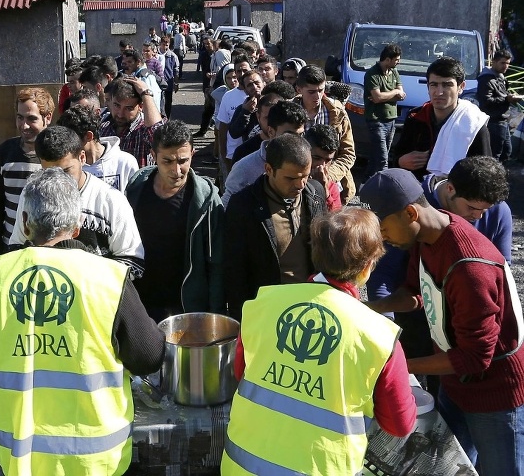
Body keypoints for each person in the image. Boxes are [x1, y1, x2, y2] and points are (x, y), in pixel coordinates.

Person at [0, 167, 165, 475]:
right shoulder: (108, 279)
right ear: (77, 226)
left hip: (20, 456)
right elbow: (149, 357)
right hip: (96, 459)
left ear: (25, 224)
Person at [221, 208, 416, 475]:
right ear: (368, 266)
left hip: (241, 466)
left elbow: (243, 373)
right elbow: (400, 424)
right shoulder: (379, 335)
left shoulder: (262, 304)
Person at [361, 168, 524, 475]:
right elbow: (414, 293)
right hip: (453, 380)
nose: (382, 238)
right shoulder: (426, 236)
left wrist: (399, 366)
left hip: (494, 394)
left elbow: (476, 358)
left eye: (383, 229)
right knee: (449, 468)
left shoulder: (468, 267)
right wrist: (367, 307)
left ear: (410, 212)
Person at [8, 126, 145, 276]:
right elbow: (16, 249)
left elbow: (133, 262)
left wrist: (84, 279)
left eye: (66, 171)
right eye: (49, 172)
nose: (59, 180)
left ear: (82, 158)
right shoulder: (31, 195)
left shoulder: (111, 201)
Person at [125, 120, 225, 322]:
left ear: (192, 155)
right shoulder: (137, 187)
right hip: (140, 303)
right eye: (167, 161)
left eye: (183, 161)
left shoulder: (206, 199)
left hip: (186, 306)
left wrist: (215, 316)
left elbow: (217, 263)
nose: (177, 170)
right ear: (153, 157)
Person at [222, 134, 326, 320]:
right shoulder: (244, 205)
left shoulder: (315, 193)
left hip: (311, 306)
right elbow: (234, 270)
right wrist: (242, 319)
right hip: (267, 310)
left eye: (305, 176)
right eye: (290, 178)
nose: (300, 184)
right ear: (269, 169)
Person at [393, 57, 491, 178]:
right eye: (434, 85)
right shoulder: (416, 117)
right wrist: (400, 161)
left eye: (447, 85)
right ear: (428, 86)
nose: (439, 92)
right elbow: (395, 156)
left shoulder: (473, 125)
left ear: (461, 87)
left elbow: (486, 174)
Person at [0, 87, 54, 255]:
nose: (24, 125)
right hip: (12, 245)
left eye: (32, 119)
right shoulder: (4, 152)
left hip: (49, 248)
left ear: (48, 118)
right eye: (20, 117)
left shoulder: (57, 154)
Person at [222, 99, 306, 209]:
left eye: (300, 135)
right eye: (289, 135)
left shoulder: (309, 163)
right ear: (271, 132)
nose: (296, 141)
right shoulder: (244, 168)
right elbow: (226, 208)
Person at [294, 65, 356, 202]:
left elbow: (348, 153)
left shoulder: (337, 112)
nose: (317, 96)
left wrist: (329, 176)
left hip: (334, 186)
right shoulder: (288, 113)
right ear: (299, 89)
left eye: (321, 90)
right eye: (311, 92)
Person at [58, 105, 138, 191]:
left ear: (88, 136)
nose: (66, 145)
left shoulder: (125, 162)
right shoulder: (69, 167)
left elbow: (135, 200)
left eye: (70, 139)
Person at [98, 77, 164, 168]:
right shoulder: (103, 127)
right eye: (117, 105)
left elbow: (159, 136)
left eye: (128, 108)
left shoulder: (143, 130)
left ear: (140, 106)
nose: (120, 114)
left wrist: (146, 93)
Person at [363, 43, 406, 181]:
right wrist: (394, 93)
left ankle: (366, 182)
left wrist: (385, 96)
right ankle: (385, 188)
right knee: (383, 159)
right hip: (376, 120)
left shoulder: (394, 72)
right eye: (396, 60)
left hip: (391, 119)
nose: (398, 62)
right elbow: (377, 97)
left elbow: (402, 93)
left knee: (379, 155)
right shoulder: (372, 74)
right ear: (388, 59)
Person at [477, 49, 523, 162]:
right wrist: (506, 99)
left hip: (503, 120)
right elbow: (485, 101)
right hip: (494, 121)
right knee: (495, 154)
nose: (506, 66)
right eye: (503, 63)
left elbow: (501, 94)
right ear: (494, 62)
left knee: (506, 151)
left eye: (508, 63)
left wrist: (510, 97)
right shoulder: (486, 79)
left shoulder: (500, 77)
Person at [305, 124, 342, 211]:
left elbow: (335, 220)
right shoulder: (292, 178)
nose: (321, 166)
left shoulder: (331, 186)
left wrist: (324, 191)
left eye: (328, 160)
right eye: (316, 158)